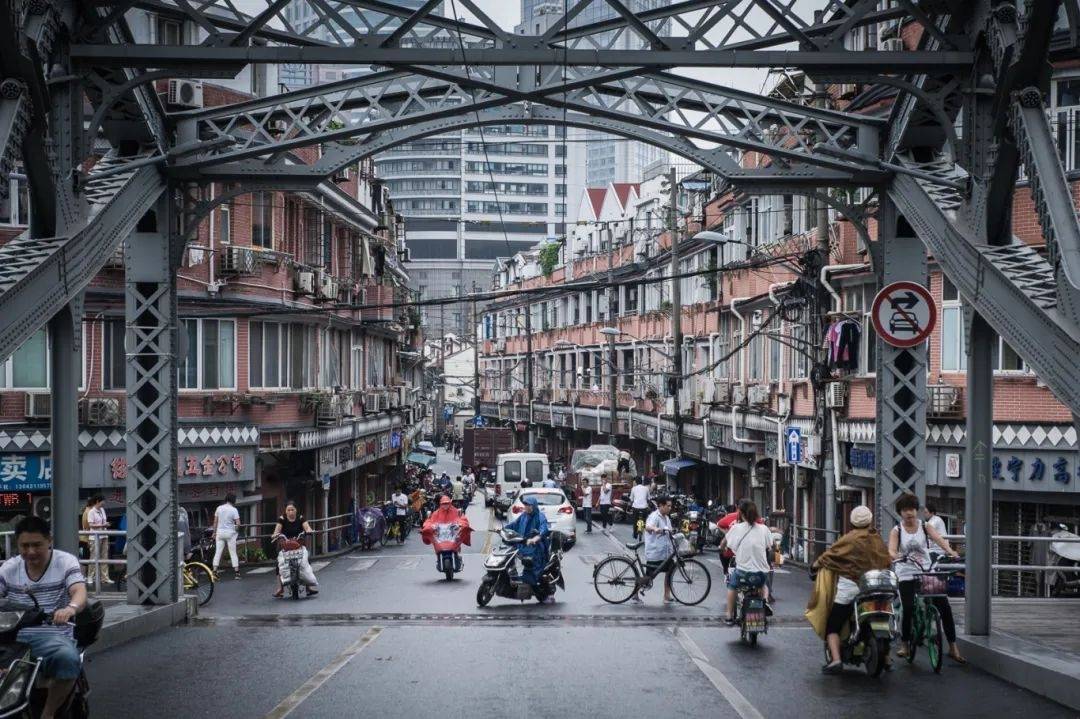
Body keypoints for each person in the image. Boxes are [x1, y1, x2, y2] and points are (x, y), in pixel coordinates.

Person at [0, 516, 88, 719]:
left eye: (36, 545)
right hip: (13, 636)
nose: (30, 552)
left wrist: (70, 608)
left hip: (52, 635)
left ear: (49, 541)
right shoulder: (9, 568)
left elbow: (79, 591)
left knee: (67, 658)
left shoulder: (65, 562)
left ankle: (48, 713)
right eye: (25, 546)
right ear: (18, 545)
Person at [812, 506, 892, 674]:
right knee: (884, 618)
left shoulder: (849, 538)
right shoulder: (877, 538)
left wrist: (815, 565)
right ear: (870, 521)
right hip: (876, 586)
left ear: (851, 522)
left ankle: (836, 660)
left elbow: (830, 555)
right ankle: (885, 657)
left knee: (832, 624)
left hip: (851, 587)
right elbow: (886, 559)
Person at [889, 493, 965, 664]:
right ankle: (905, 644)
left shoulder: (925, 526)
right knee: (908, 607)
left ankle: (953, 647)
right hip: (906, 571)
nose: (909, 513)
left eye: (912, 509)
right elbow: (891, 550)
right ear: (900, 512)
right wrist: (896, 556)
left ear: (917, 510)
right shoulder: (897, 530)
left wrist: (951, 552)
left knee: (944, 605)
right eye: (905, 510)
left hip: (925, 569)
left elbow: (939, 539)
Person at [720, 500, 773, 625]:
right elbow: (769, 546)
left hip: (743, 573)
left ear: (741, 513)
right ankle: (765, 600)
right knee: (763, 584)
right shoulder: (764, 529)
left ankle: (728, 615)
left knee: (732, 585)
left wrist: (722, 548)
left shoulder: (736, 528)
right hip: (760, 573)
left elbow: (725, 543)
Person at [502, 495, 553, 602]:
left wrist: (535, 538)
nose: (527, 507)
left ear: (534, 506)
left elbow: (544, 529)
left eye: (529, 505)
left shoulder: (540, 516)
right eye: (525, 505)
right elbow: (513, 525)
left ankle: (542, 595)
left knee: (530, 571)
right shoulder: (524, 516)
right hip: (522, 545)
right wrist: (501, 529)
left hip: (536, 548)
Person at [272, 502, 318, 598]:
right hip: (286, 546)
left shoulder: (300, 518)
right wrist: (276, 535)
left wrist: (309, 530)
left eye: (292, 509)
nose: (290, 512)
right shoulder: (282, 519)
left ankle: (308, 588)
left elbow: (307, 527)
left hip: (298, 545)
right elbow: (276, 532)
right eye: (288, 510)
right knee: (278, 564)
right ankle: (280, 588)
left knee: (306, 561)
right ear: (285, 511)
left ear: (296, 510)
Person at [634, 495, 674, 603]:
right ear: (661, 506)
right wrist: (655, 528)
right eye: (668, 506)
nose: (670, 508)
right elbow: (647, 527)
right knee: (648, 578)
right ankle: (635, 594)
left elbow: (669, 530)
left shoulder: (666, 517)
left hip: (665, 552)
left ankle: (667, 596)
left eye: (671, 506)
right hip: (655, 553)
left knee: (670, 571)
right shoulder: (654, 516)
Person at [212, 493, 242, 579]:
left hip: (219, 533)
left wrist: (214, 532)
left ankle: (214, 572)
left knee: (218, 552)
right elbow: (238, 523)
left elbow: (215, 522)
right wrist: (236, 531)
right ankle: (237, 573)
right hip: (230, 533)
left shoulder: (219, 508)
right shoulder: (234, 510)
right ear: (233, 500)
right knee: (233, 553)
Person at [84, 495, 111, 587]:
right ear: (98, 501)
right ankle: (90, 577)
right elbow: (91, 525)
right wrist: (103, 525)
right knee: (94, 556)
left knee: (104, 556)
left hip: (104, 535)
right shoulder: (91, 511)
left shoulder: (102, 510)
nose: (104, 503)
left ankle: (105, 577)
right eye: (103, 501)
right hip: (95, 536)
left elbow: (103, 521)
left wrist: (105, 524)